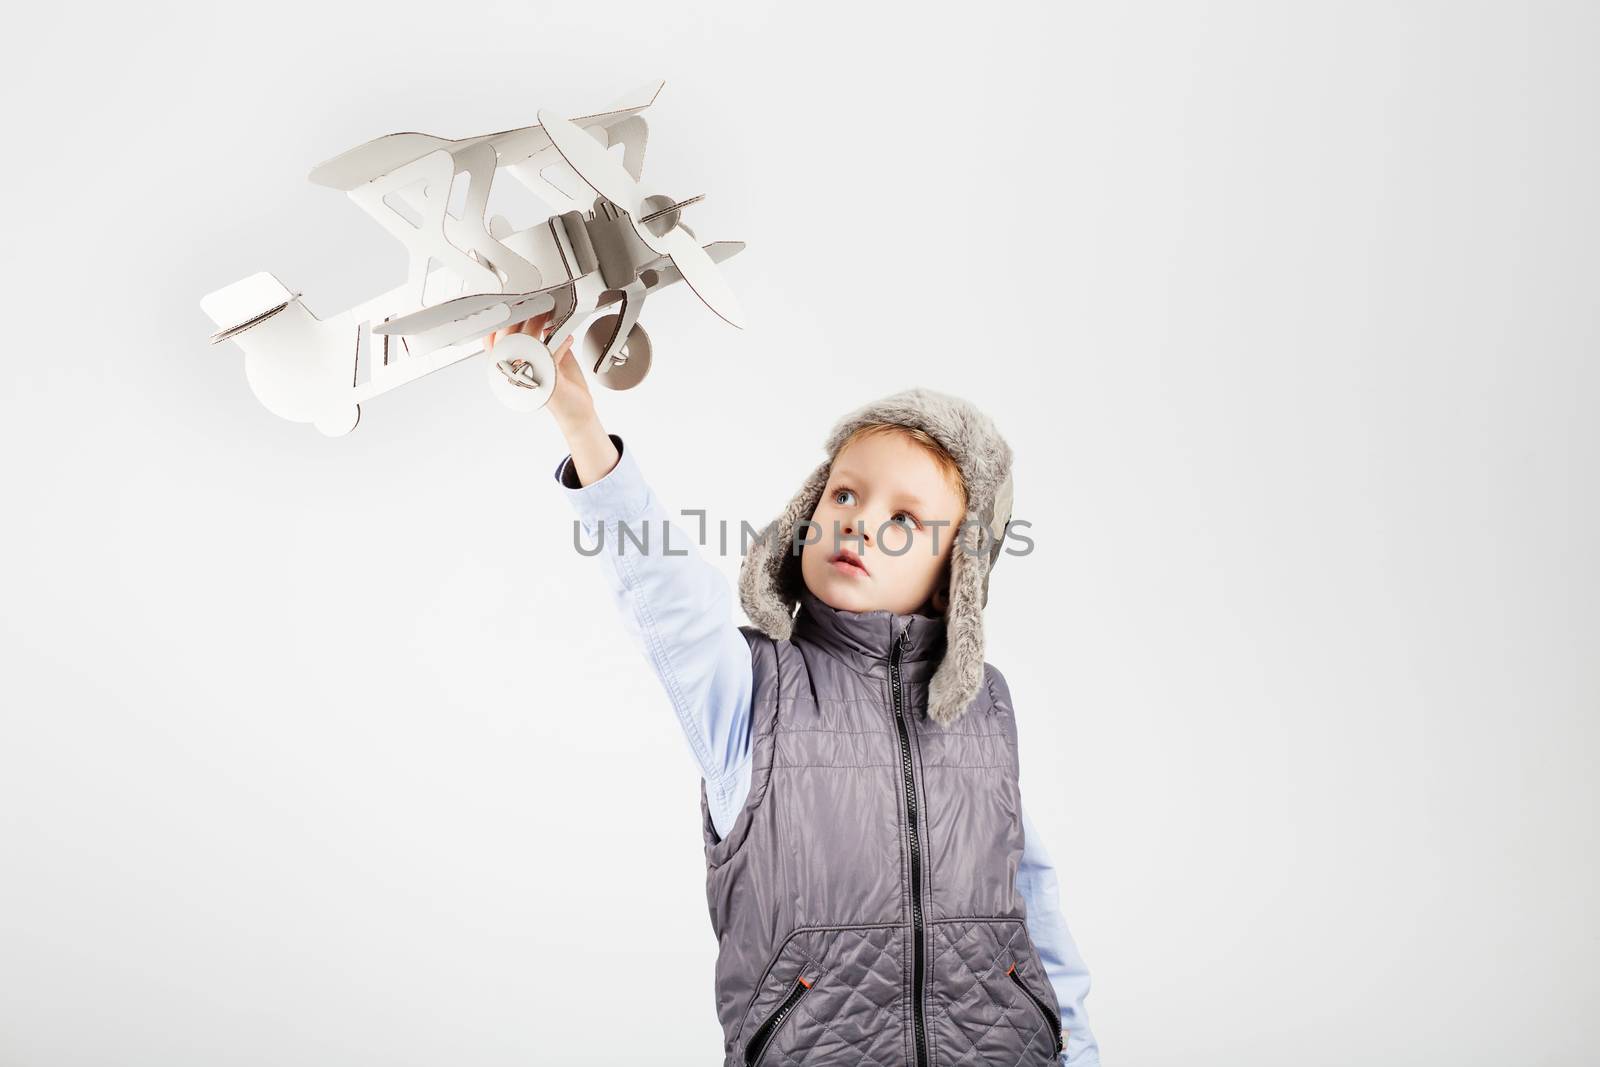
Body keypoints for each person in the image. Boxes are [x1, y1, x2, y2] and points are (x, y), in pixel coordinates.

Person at [491, 313, 1100, 1067]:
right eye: (844, 495)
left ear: (956, 580)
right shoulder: (751, 693)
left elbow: (1032, 906)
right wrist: (585, 431)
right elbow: (668, 598)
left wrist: (1079, 1049)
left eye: (905, 518)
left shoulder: (986, 708)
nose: (859, 524)